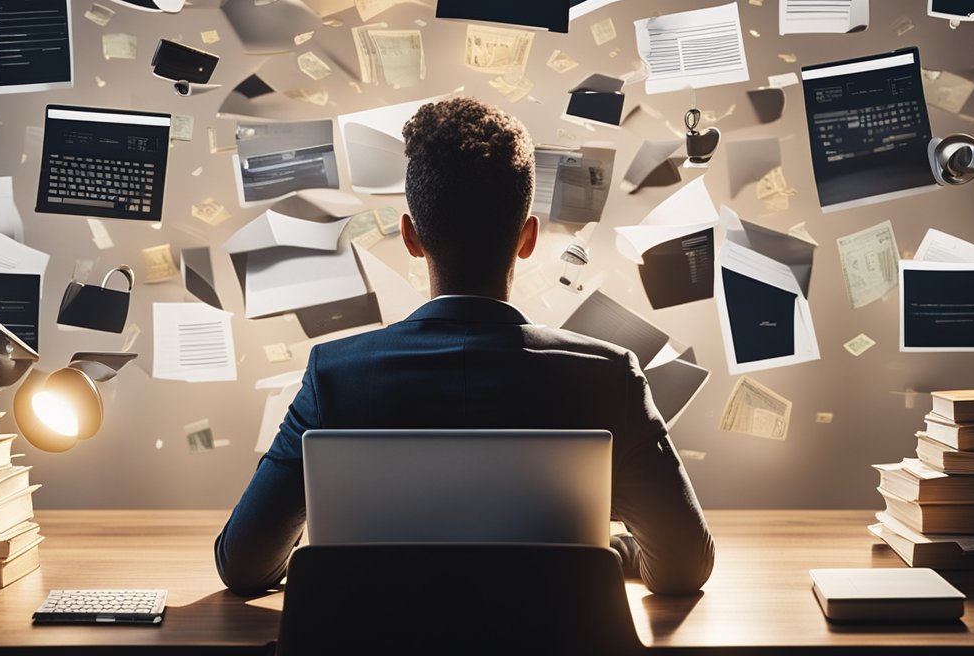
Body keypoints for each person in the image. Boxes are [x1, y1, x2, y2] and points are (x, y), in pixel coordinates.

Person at [216, 97, 715, 595]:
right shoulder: (608, 376)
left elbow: (244, 566)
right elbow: (682, 568)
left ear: (411, 236)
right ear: (528, 238)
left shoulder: (335, 376)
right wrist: (609, 553)